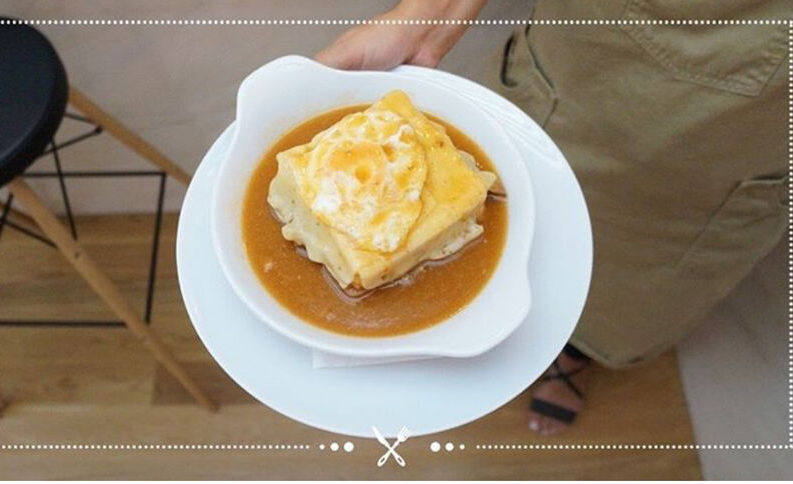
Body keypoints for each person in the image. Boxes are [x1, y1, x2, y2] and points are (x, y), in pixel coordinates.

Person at [316, 0, 790, 436]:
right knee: (510, 225)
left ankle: (574, 355)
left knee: (633, 294)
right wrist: (429, 19)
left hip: (728, 149)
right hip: (579, 67)